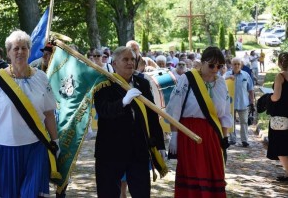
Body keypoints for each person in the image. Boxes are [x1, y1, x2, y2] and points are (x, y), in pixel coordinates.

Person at [0, 30, 59, 197]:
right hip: (3, 148)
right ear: (9, 53)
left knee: (30, 193)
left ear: (29, 51)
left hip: (35, 147)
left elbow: (49, 113)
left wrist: (55, 140)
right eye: (15, 48)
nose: (20, 52)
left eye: (24, 48)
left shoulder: (41, 78)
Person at [93, 46, 166, 197]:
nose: (130, 63)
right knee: (108, 193)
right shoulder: (104, 83)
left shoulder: (142, 82)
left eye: (133, 59)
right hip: (111, 149)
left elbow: (152, 115)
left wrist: (159, 144)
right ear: (114, 64)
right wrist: (123, 102)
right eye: (125, 59)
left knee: (141, 192)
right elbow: (104, 110)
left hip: (138, 149)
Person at [166, 46, 232, 198]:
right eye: (211, 65)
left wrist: (225, 137)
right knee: (194, 170)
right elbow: (174, 109)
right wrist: (174, 136)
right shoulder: (187, 79)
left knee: (213, 171)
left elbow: (225, 113)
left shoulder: (221, 83)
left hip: (212, 134)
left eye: (219, 66)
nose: (215, 69)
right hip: (190, 133)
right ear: (202, 62)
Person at [266, 52, 288, 182]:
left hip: (281, 115)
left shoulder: (280, 76)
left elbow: (276, 96)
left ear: (279, 63)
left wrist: (268, 98)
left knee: (281, 146)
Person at [225, 57, 254, 147]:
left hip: (243, 102)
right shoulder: (227, 75)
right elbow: (221, 85)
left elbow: (251, 89)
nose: (237, 65)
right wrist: (227, 78)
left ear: (241, 65)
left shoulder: (246, 75)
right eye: (235, 64)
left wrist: (252, 101)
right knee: (231, 121)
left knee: (244, 121)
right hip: (230, 103)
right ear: (231, 65)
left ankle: (244, 140)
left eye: (238, 64)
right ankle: (232, 139)